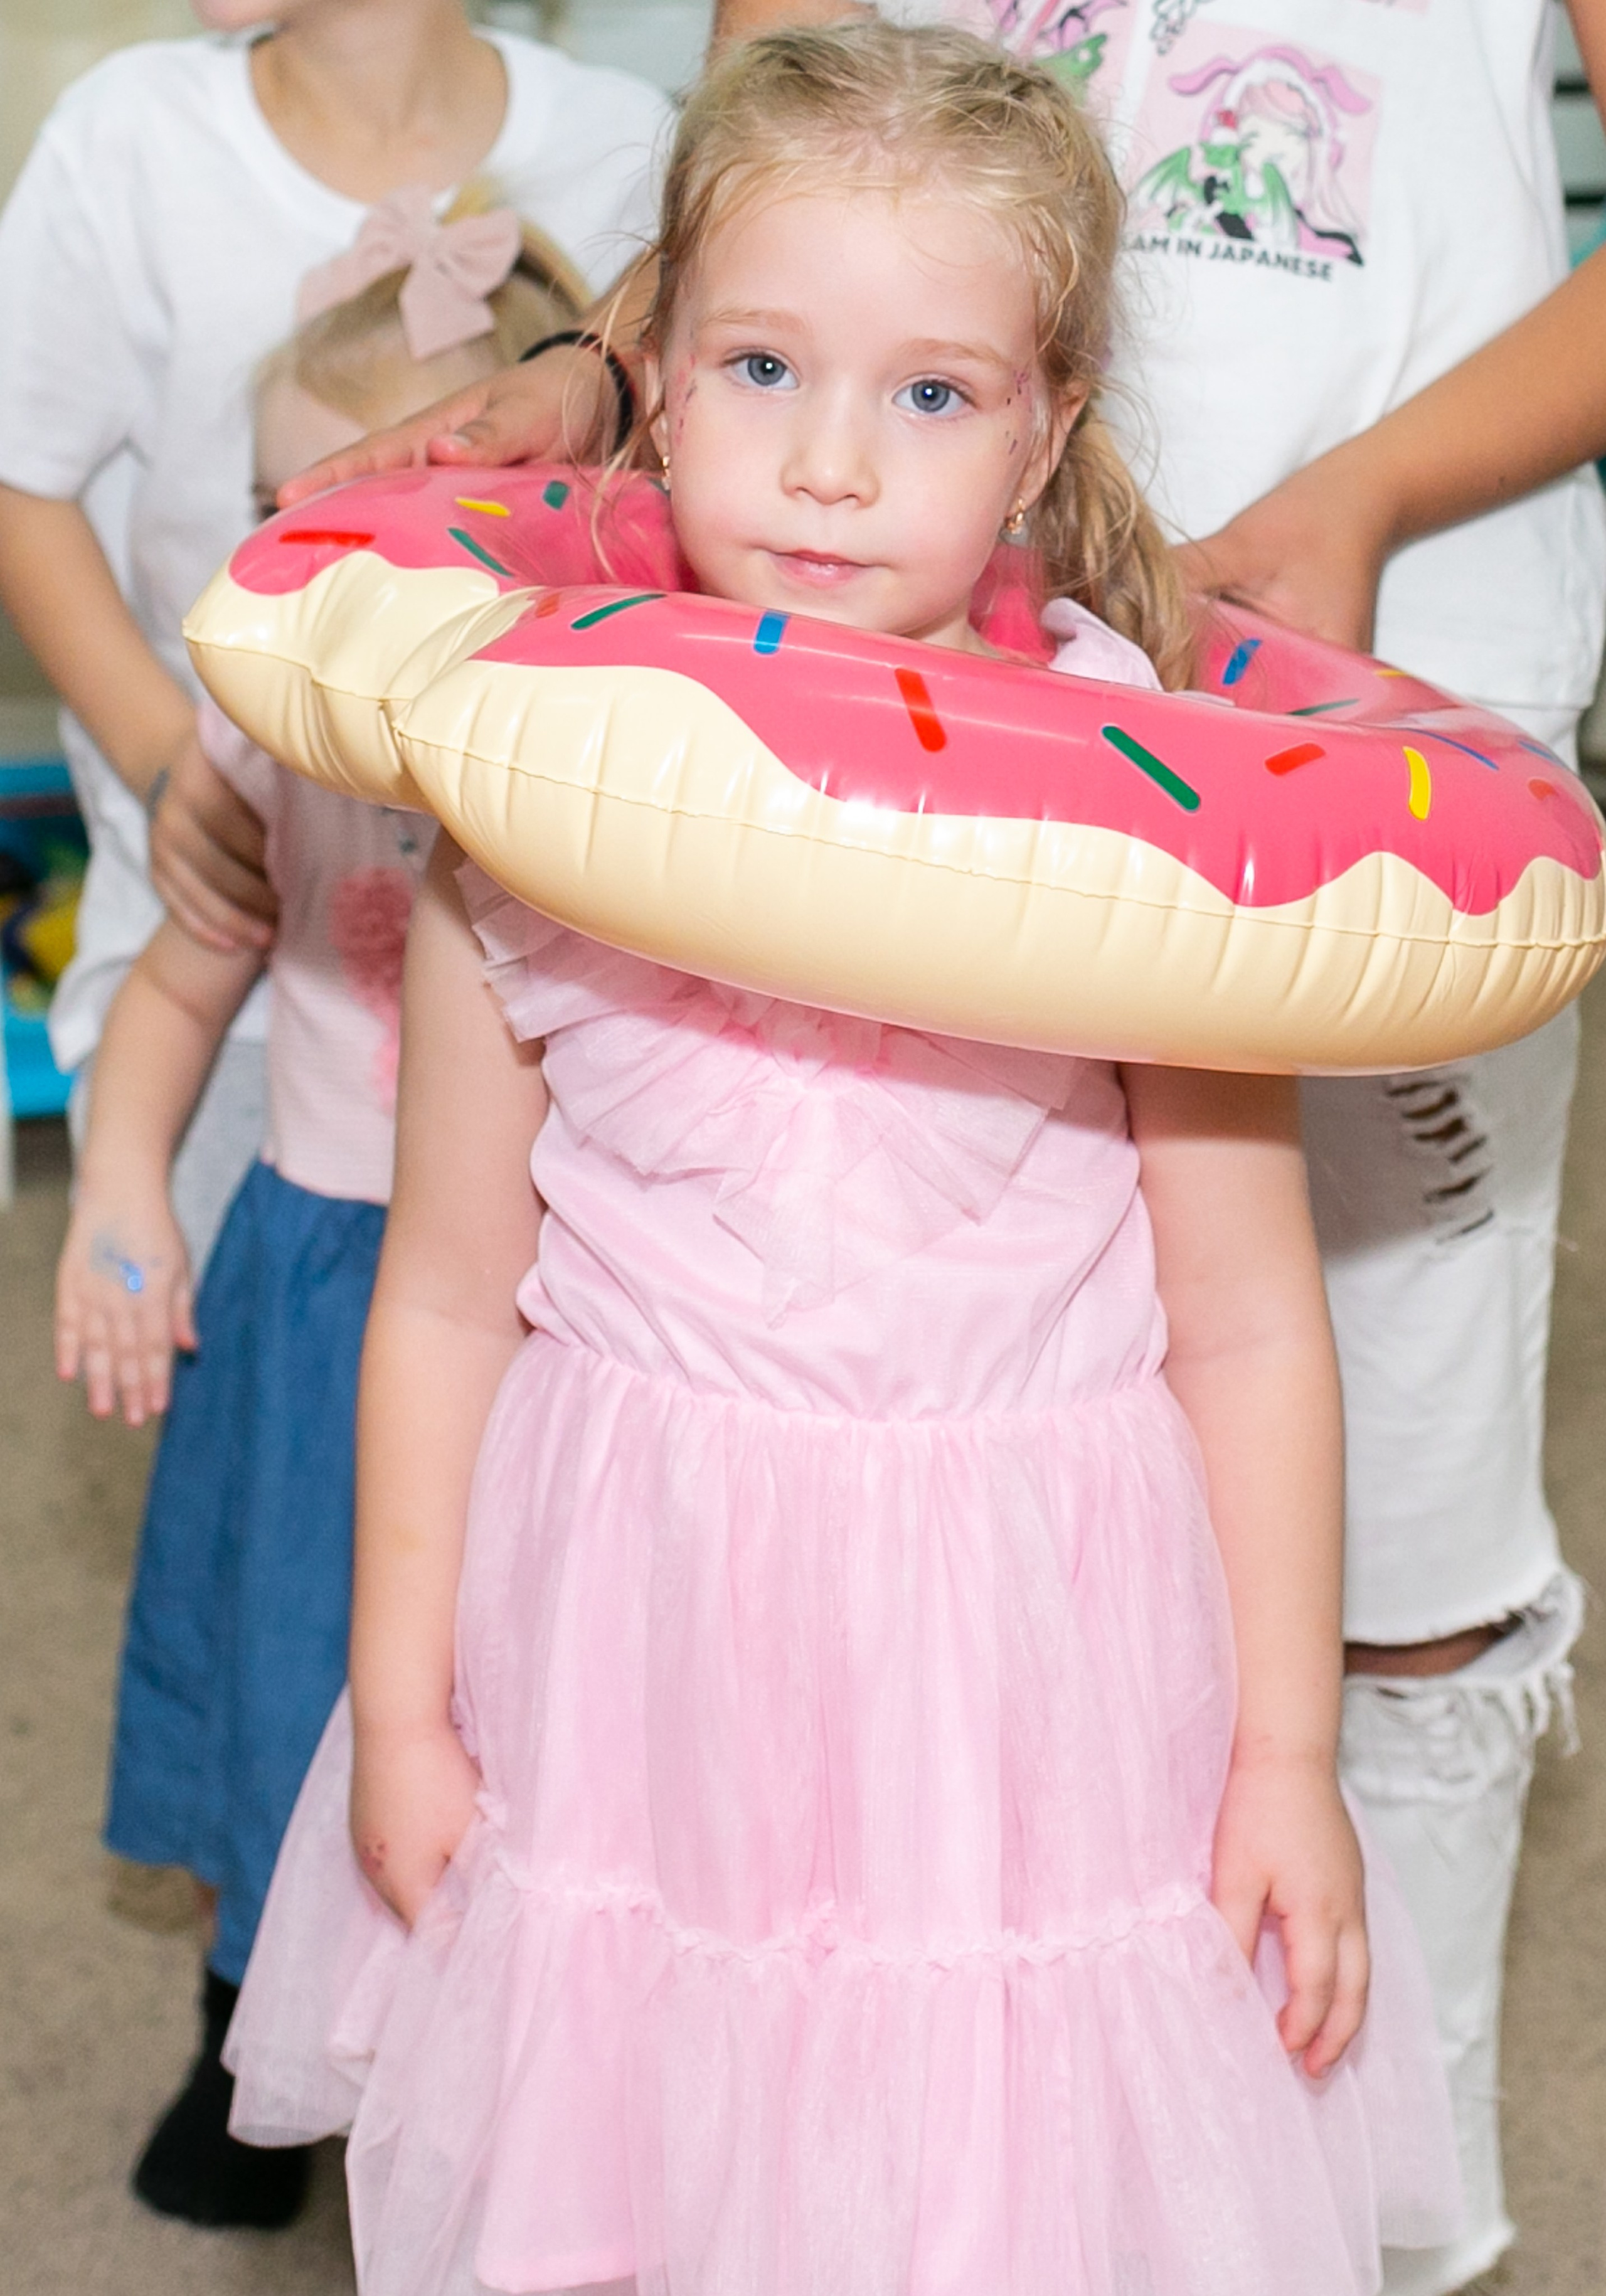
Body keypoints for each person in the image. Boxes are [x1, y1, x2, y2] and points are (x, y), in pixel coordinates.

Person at [286, 7, 1606, 2288]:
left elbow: (1252, 1337)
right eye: (765, 368)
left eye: (928, 393)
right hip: (646, 1634)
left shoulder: (1146, 823)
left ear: (1044, 432)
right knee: (660, 2153)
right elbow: (439, 1289)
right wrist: (400, 1700)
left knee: (998, 2175)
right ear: (658, 373)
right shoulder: (540, 778)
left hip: (1022, 1662)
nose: (823, 465)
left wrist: (1287, 1755)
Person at [50, 212, 578, 2231]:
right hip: (311, 1289)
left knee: (516, 1713)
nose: (305, 571)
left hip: (533, 1332)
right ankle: (238, 2019)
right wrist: (116, 1197)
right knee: (279, 1681)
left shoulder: (605, 769)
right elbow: (185, 987)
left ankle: (501, 2050)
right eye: (281, 515)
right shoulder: (266, 748)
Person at [0, 0, 667, 1272]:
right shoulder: (129, 137)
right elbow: (19, 484)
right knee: (245, 1400)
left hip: (551, 996)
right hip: (220, 956)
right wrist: (169, 767)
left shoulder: (620, 140)